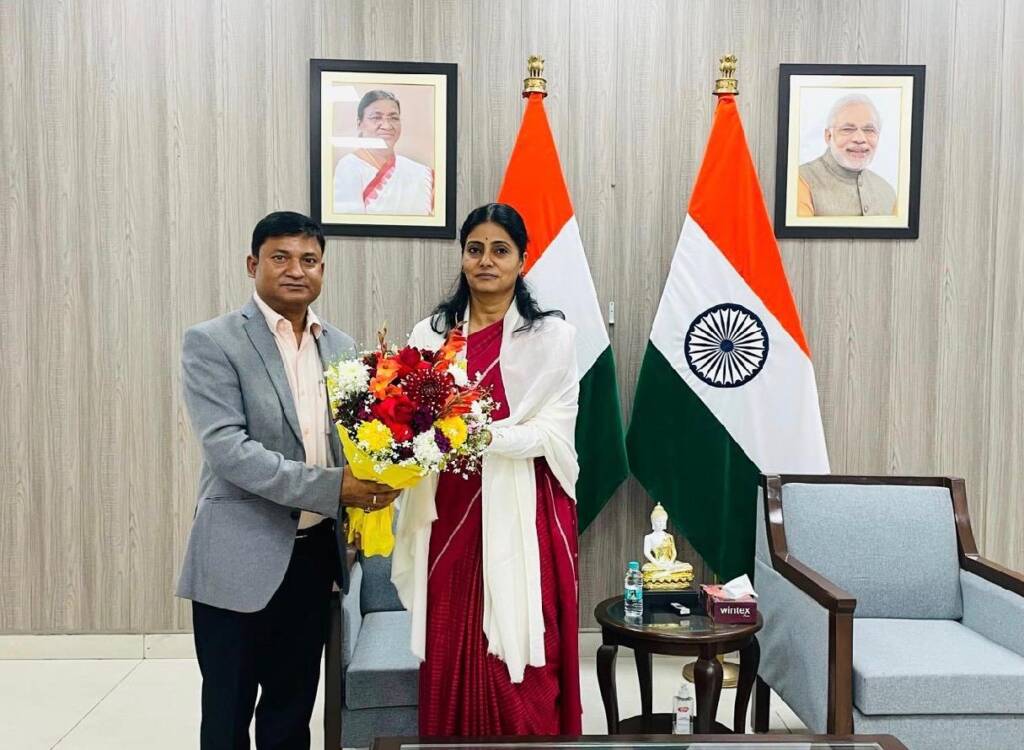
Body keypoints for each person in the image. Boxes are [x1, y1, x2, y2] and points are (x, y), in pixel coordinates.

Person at [175, 211, 399, 749]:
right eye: (280, 257)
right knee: (228, 713)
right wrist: (335, 487)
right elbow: (231, 452)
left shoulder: (341, 346)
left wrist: (388, 472)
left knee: (291, 711)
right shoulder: (213, 341)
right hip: (237, 555)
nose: (295, 270)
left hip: (315, 556)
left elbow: (357, 439)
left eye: (309, 260)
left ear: (322, 269)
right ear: (253, 264)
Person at [392, 203, 583, 736]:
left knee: (523, 642)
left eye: (500, 250)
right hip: (449, 506)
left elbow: (553, 433)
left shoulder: (551, 338)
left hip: (527, 507)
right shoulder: (429, 336)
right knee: (451, 635)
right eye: (475, 249)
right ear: (462, 257)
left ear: (522, 260)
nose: (486, 261)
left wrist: (478, 436)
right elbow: (406, 416)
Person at [332, 90, 434, 215]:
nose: (386, 125)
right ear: (359, 124)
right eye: (376, 117)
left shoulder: (419, 173)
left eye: (394, 118)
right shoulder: (349, 166)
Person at [797, 93, 897, 216]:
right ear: (828, 136)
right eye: (848, 129)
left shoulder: (888, 192)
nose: (860, 139)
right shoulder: (800, 180)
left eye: (869, 130)